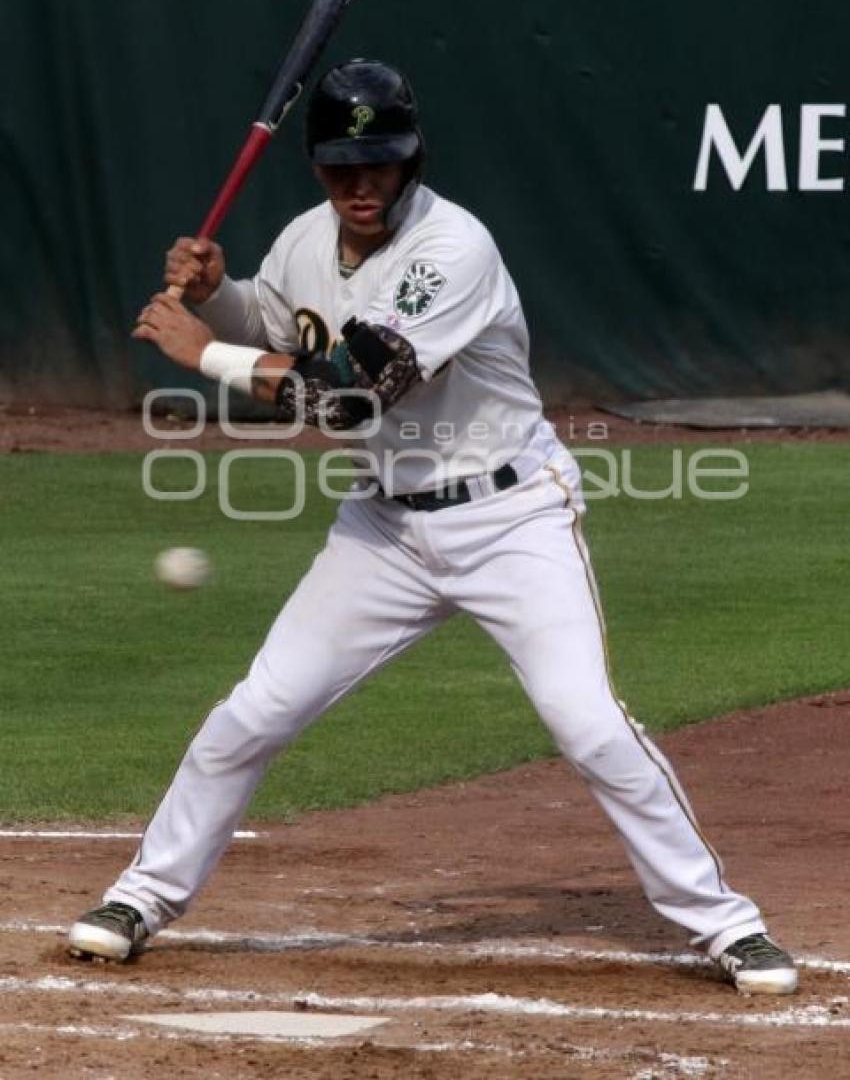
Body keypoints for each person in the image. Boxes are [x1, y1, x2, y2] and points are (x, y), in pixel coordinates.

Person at [68, 59, 797, 995]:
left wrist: (200, 350)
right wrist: (217, 294)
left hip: (511, 516)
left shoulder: (453, 249)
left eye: (382, 162)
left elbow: (349, 395)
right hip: (384, 530)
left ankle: (725, 925)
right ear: (317, 165)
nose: (362, 185)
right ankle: (142, 895)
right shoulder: (305, 239)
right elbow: (288, 317)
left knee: (589, 724)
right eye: (342, 166)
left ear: (414, 156)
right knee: (255, 711)